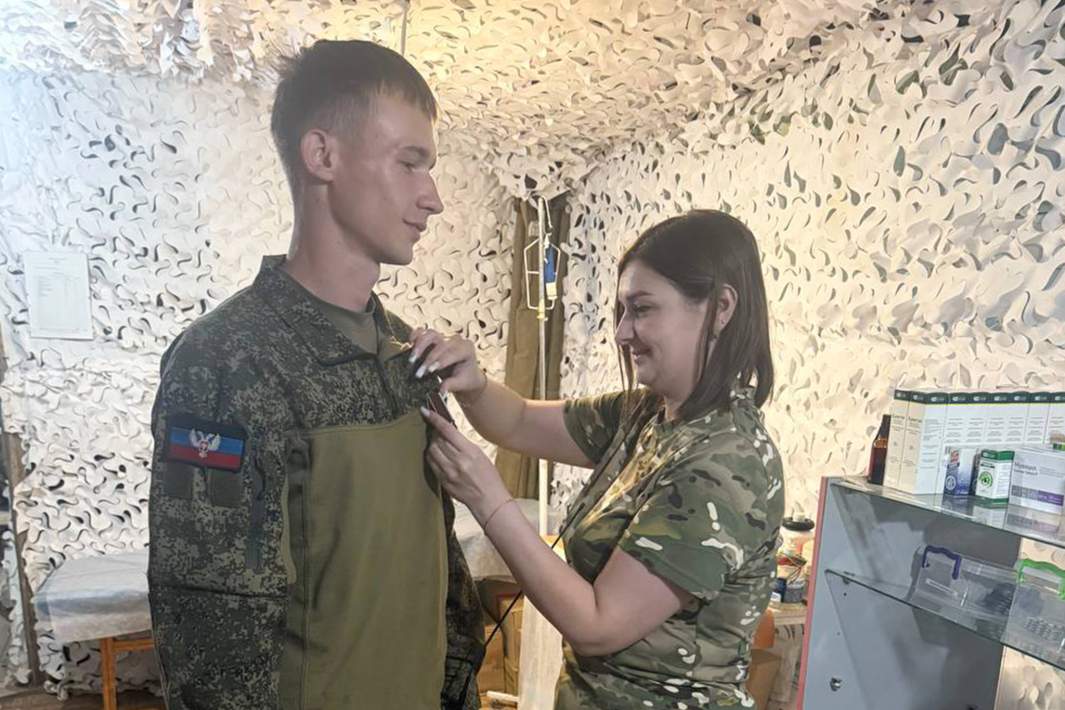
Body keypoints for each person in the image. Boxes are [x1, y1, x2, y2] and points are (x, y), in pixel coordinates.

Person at [148, 40, 483, 710]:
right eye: (409, 162)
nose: (433, 199)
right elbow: (211, 625)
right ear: (322, 155)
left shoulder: (403, 352)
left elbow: (436, 562)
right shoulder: (227, 360)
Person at [413, 209, 784, 709]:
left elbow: (597, 625)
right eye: (621, 311)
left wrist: (489, 501)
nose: (623, 332)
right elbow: (517, 421)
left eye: (643, 309)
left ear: (720, 308)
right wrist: (473, 384)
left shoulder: (723, 465)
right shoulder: (646, 415)